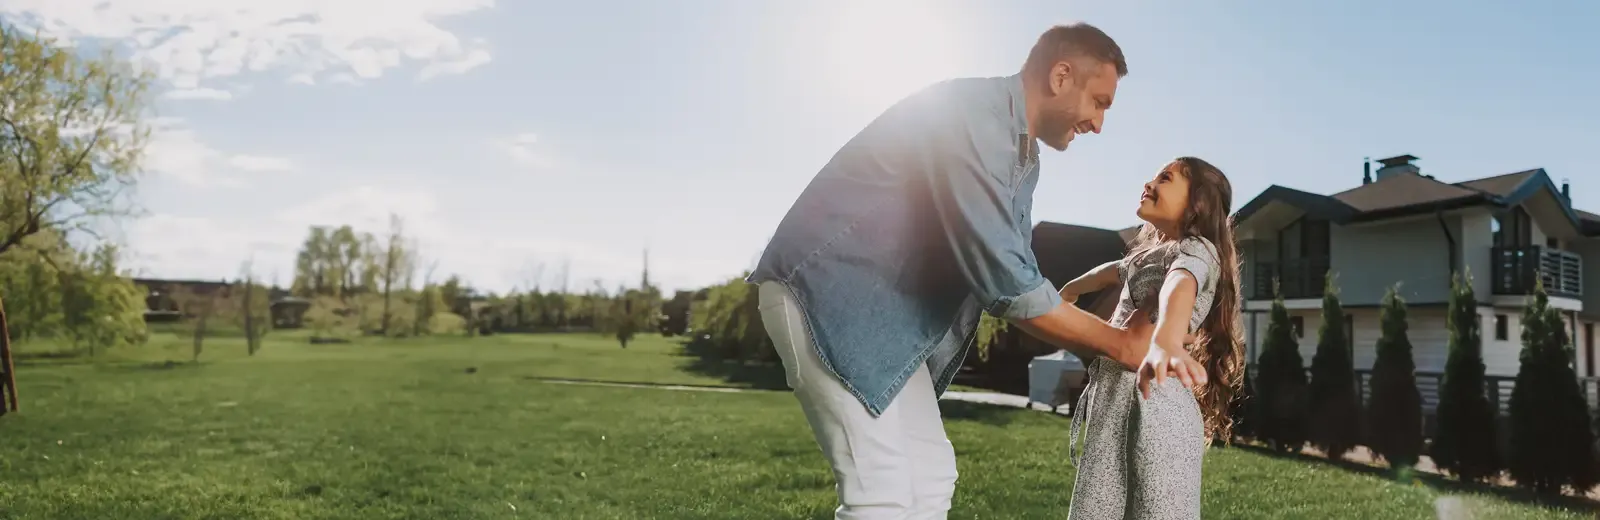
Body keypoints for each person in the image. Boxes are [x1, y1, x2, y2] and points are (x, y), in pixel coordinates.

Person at [748, 23, 1206, 519]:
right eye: (1098, 102)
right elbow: (1005, 279)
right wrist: (1120, 344)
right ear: (1060, 76)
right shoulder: (974, 118)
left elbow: (1015, 271)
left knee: (931, 478)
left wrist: (1075, 311)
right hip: (829, 296)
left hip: (886, 325)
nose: (1098, 123)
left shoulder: (1022, 159)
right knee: (881, 490)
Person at [1057, 157, 1244, 520]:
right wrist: (1069, 290)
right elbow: (1108, 273)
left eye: (1166, 177)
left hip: (1156, 409)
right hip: (1114, 405)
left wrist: (1166, 338)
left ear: (1197, 205)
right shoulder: (1146, 256)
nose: (1150, 181)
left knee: (1156, 510)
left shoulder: (1198, 252)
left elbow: (1180, 285)